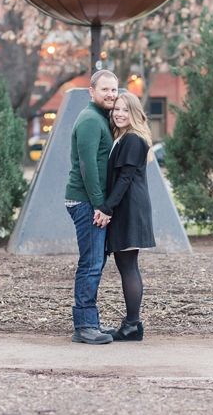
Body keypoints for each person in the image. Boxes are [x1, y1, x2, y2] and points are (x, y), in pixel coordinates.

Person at [64, 69, 119, 344]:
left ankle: (91, 322)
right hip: (86, 202)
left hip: (92, 202)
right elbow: (87, 168)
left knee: (95, 262)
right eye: (105, 89)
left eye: (114, 89)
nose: (110, 94)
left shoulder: (100, 118)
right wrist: (100, 205)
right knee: (91, 263)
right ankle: (84, 326)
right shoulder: (89, 120)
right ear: (92, 92)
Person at [99, 92, 155, 341]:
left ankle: (132, 324)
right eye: (116, 109)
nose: (119, 114)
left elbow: (125, 179)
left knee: (128, 266)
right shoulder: (124, 138)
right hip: (128, 206)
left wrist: (107, 208)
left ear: (134, 114)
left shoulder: (132, 139)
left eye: (125, 110)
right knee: (127, 266)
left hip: (128, 208)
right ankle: (132, 324)